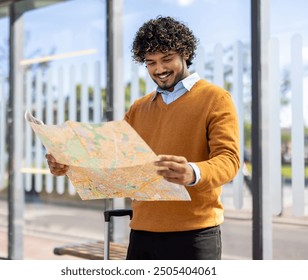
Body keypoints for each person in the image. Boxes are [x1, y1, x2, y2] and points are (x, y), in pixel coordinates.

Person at [46, 16, 240, 260]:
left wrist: (193, 172)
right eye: (150, 62)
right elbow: (110, 158)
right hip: (141, 233)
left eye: (167, 59)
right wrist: (67, 162)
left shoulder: (216, 98)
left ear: (186, 52)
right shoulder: (138, 108)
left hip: (195, 234)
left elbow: (229, 160)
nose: (159, 69)